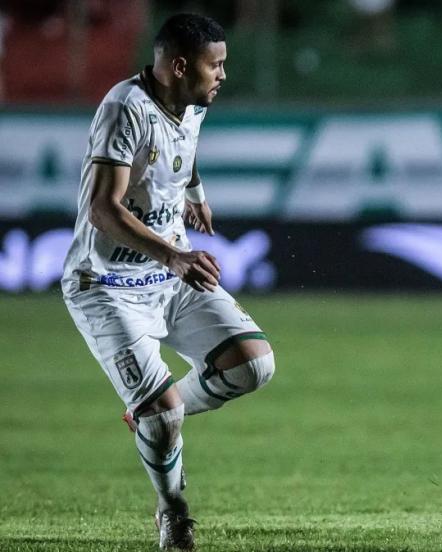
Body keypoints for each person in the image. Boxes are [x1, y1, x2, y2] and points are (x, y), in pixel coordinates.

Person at [61, 13, 275, 551]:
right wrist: (175, 256)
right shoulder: (125, 108)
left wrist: (195, 192)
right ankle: (173, 511)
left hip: (166, 273)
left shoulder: (191, 103)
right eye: (215, 64)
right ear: (179, 66)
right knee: (163, 417)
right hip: (105, 283)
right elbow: (103, 209)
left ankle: (155, 411)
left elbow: (184, 144)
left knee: (253, 364)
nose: (223, 74)